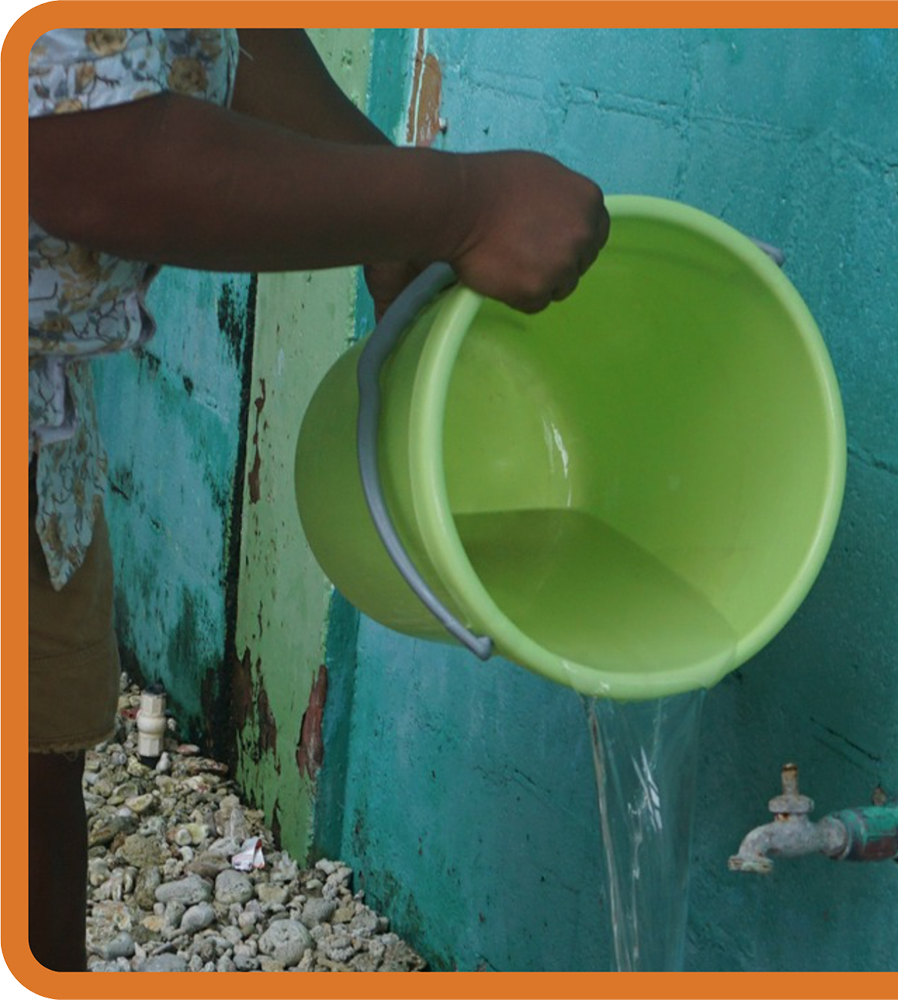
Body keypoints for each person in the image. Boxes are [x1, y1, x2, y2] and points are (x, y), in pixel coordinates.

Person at [27, 28, 609, 970]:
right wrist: (458, 204)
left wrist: (392, 205)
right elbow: (83, 154)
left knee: (36, 778)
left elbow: (219, 26)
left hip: (40, 436)